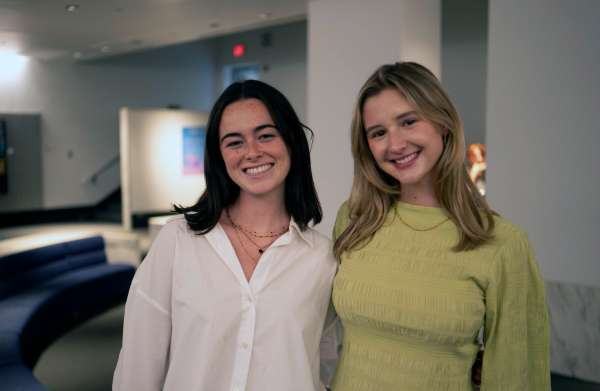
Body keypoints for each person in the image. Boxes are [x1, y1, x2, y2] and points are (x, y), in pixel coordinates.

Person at [330, 62, 550, 390]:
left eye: (408, 122)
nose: (396, 144)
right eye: (378, 132)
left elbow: (519, 376)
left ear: (443, 123)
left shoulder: (503, 243)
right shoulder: (355, 219)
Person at [113, 80, 339, 390]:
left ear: (291, 142)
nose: (252, 152)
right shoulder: (177, 241)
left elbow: (325, 365)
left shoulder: (323, 257)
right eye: (234, 142)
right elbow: (138, 366)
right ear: (219, 156)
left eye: (266, 135)